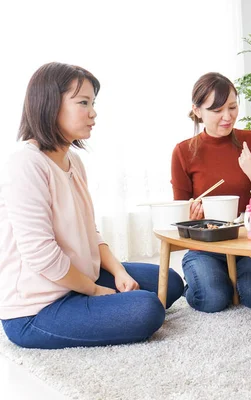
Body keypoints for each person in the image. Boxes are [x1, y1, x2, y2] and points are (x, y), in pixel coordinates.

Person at [0, 62, 184, 349]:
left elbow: (91, 233)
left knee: (170, 281)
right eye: (83, 103)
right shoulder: (26, 164)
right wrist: (95, 290)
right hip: (36, 308)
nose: (93, 112)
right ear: (49, 104)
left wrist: (119, 273)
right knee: (146, 308)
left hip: (79, 278)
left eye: (93, 103)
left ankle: (92, 299)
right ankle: (88, 302)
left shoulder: (73, 161)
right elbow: (41, 255)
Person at [171, 72, 251, 313]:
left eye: (232, 107)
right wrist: (191, 214)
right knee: (212, 299)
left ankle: (231, 280)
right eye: (217, 110)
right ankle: (201, 278)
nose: (227, 117)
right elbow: (181, 211)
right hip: (206, 246)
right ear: (197, 111)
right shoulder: (183, 151)